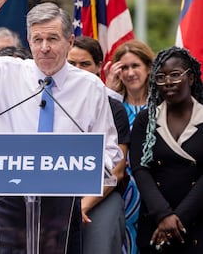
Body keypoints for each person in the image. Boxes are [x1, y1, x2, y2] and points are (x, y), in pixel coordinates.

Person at [0, 0, 122, 253]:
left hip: (61, 206)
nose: (44, 47)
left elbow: (110, 151)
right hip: (5, 202)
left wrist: (78, 167)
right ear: (29, 41)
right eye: (38, 39)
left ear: (69, 42)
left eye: (52, 39)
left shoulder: (90, 86)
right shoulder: (4, 73)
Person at [130, 46, 203, 253]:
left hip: (197, 222)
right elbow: (140, 168)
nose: (168, 82)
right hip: (156, 223)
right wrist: (163, 216)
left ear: (190, 78)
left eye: (175, 75)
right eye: (160, 77)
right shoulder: (146, 119)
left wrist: (178, 219)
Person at [67, 36, 129, 254]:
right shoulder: (48, 102)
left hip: (101, 198)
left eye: (85, 64)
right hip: (58, 198)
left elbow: (117, 171)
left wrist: (83, 206)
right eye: (71, 63)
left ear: (98, 67)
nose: (78, 69)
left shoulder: (114, 108)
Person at [104, 39, 155, 254]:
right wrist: (108, 86)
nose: (130, 73)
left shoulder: (160, 107)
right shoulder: (114, 106)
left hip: (153, 192)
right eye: (124, 67)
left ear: (148, 68)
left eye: (135, 66)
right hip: (120, 190)